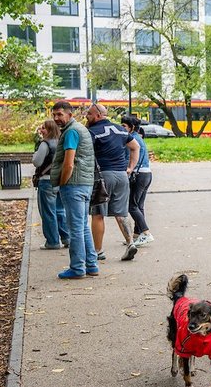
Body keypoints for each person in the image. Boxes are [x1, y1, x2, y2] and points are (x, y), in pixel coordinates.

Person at [49, 101, 99, 280]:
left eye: (60, 114)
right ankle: (91, 265)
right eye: (54, 115)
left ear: (70, 114)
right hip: (85, 184)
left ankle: (77, 268)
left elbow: (69, 163)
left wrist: (62, 183)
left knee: (75, 229)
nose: (56, 118)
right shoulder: (80, 129)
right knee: (83, 226)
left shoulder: (71, 132)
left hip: (74, 185)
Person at [86, 103, 139, 263]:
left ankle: (98, 251)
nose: (86, 116)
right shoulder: (121, 130)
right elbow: (135, 147)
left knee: (98, 214)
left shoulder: (92, 132)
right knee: (121, 212)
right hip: (122, 176)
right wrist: (130, 167)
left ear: (98, 115)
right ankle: (130, 243)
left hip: (103, 176)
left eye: (89, 114)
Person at [32, 120, 68, 250]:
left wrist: (34, 154)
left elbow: (37, 162)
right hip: (60, 180)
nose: (41, 130)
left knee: (48, 212)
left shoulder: (45, 144)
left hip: (47, 181)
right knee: (60, 211)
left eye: (44, 128)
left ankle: (52, 241)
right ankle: (66, 237)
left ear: (50, 129)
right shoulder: (61, 142)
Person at [120, 115, 154, 247]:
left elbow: (130, 159)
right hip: (146, 174)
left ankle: (146, 233)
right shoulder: (138, 137)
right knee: (138, 206)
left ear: (131, 127)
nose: (122, 128)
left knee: (132, 206)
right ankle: (136, 235)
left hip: (138, 175)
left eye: (124, 126)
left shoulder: (132, 139)